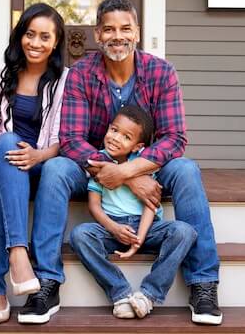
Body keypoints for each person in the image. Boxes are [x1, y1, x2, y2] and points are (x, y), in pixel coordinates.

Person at [44, 0, 223, 325]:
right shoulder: (81, 73)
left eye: (125, 28)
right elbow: (71, 140)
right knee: (54, 168)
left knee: (185, 169)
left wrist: (128, 170)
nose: (117, 36)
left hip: (145, 163)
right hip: (95, 165)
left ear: (137, 32)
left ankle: (203, 284)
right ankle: (47, 281)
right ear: (98, 35)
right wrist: (120, 174)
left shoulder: (161, 72)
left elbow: (174, 138)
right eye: (109, 29)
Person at [0, 3, 68, 324]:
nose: (36, 43)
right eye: (30, 34)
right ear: (20, 36)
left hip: (37, 164)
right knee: (6, 141)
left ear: (55, 43)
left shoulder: (64, 81)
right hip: (1, 155)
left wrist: (38, 155)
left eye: (45, 37)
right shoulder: (8, 77)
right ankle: (18, 253)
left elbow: (64, 139)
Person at [70, 105, 197, 319]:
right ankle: (120, 293)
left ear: (138, 146)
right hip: (111, 228)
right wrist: (113, 227)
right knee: (79, 235)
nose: (115, 138)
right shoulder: (99, 162)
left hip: (147, 229)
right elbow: (94, 205)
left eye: (126, 137)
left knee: (185, 232)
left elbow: (151, 204)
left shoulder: (142, 165)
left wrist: (139, 239)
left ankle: (148, 295)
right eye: (114, 130)